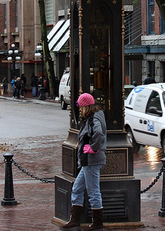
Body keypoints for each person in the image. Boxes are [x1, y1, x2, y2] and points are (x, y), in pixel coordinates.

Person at [62, 93, 106, 230]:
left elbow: (98, 134)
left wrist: (93, 148)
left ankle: (98, 223)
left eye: (81, 107)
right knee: (77, 188)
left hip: (91, 161)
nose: (79, 109)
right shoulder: (92, 118)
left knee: (93, 191)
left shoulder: (93, 119)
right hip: (88, 161)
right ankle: (75, 220)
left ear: (86, 106)